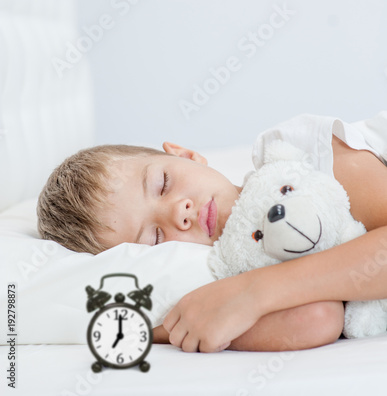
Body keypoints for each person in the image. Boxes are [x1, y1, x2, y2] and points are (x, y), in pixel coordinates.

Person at [37, 112, 387, 353]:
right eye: (155, 237)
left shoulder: (304, 161)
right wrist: (175, 326)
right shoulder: (231, 272)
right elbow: (318, 318)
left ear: (186, 155)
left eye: (163, 184)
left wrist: (255, 292)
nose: (179, 212)